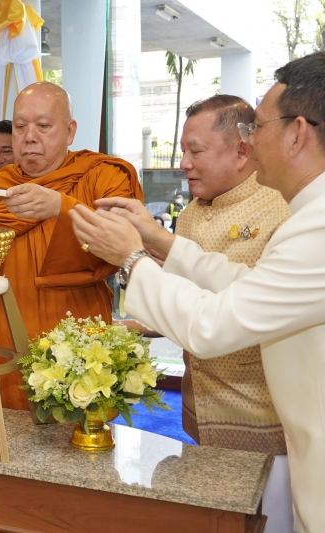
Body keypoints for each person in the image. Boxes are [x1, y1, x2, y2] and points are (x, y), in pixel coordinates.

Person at [70, 52, 325, 533]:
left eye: (259, 127)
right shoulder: (307, 215)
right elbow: (244, 284)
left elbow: (214, 324)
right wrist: (157, 240)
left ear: (297, 133)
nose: (253, 141)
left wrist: (131, 259)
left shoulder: (315, 223)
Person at [0, 81, 143, 410]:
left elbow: (123, 242)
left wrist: (60, 206)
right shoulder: (1, 183)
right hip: (5, 326)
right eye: (20, 127)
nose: (29, 137)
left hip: (73, 327)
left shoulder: (103, 175)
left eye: (43, 126)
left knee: (75, 424)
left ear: (70, 131)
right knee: (7, 422)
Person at [177, 95, 292, 532]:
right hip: (202, 402)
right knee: (214, 518)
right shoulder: (189, 215)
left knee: (272, 519)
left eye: (196, 151)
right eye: (183, 150)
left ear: (242, 151)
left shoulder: (281, 207)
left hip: (263, 412)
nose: (184, 163)